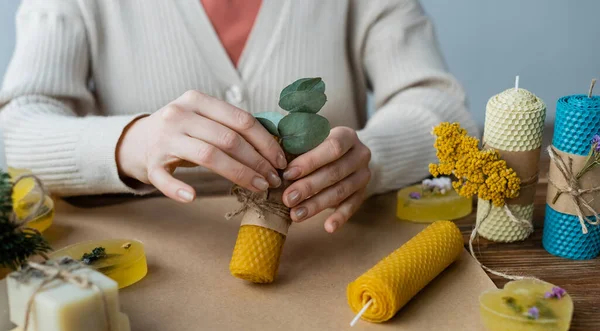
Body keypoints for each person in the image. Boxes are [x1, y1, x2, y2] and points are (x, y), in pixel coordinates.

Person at [0, 0, 476, 233]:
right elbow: (16, 127)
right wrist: (132, 143)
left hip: (331, 248)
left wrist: (374, 158)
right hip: (149, 272)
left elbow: (443, 109)